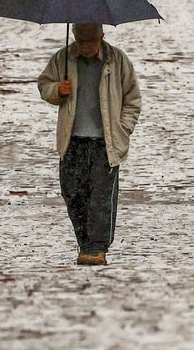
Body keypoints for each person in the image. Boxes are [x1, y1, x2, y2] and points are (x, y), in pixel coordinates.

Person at [37, 22, 141, 266]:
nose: (84, 46)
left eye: (89, 40)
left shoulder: (118, 61)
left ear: (101, 37)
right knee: (72, 192)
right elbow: (44, 85)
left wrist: (122, 129)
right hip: (72, 140)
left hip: (105, 142)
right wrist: (57, 90)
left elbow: (133, 99)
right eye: (80, 40)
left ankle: (96, 248)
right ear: (73, 35)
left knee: (100, 197)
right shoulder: (63, 58)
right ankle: (85, 242)